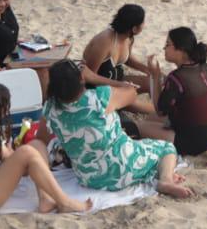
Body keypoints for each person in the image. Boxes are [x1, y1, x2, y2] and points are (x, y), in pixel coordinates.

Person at [44, 60, 191, 198]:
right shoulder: (99, 97)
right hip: (123, 168)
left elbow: (41, 139)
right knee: (165, 147)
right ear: (81, 79)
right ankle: (165, 180)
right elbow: (131, 92)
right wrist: (95, 78)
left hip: (88, 178)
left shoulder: (50, 109)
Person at [147, 27, 207, 156]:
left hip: (195, 144)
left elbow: (160, 110)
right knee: (150, 118)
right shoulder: (203, 66)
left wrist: (154, 76)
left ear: (181, 50)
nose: (164, 49)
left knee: (140, 126)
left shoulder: (177, 77)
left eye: (167, 45)